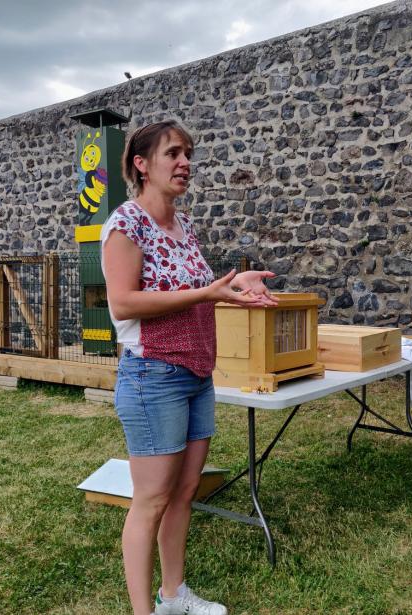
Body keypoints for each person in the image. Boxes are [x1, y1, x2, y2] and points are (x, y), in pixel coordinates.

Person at [101, 120, 277, 615]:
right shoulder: (126, 223)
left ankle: (173, 595)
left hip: (197, 375)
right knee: (151, 500)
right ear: (141, 164)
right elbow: (123, 303)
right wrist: (207, 291)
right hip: (152, 376)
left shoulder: (182, 225)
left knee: (182, 493)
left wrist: (236, 283)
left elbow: (199, 293)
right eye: (173, 153)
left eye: (188, 154)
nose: (185, 163)